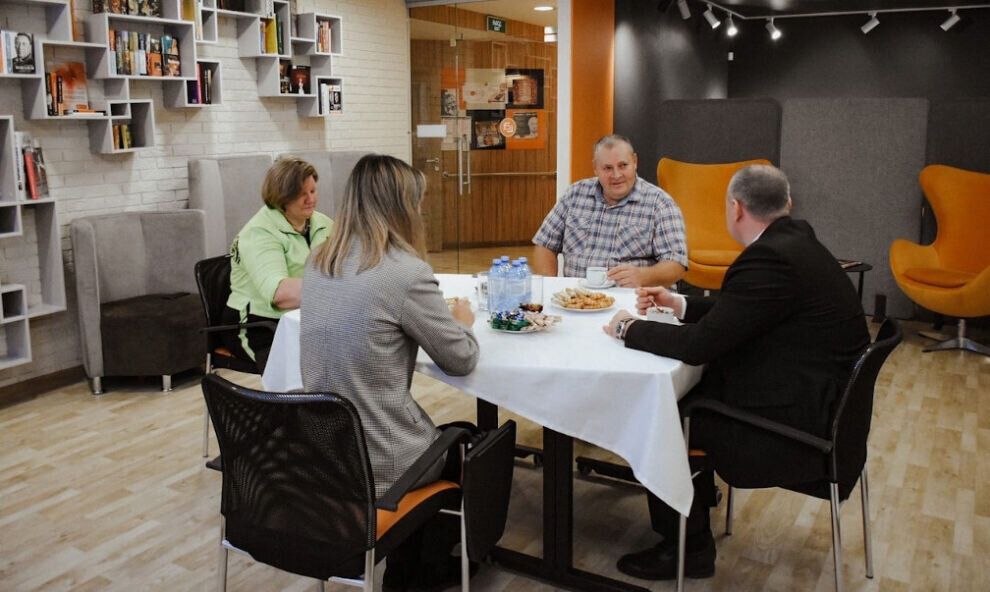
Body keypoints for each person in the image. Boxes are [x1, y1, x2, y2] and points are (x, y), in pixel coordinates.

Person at [604, 164, 869, 580]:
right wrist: (680, 305)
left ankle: (687, 548)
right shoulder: (797, 243)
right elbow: (743, 313)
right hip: (827, 408)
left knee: (667, 411)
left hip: (795, 427)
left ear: (736, 208)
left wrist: (628, 328)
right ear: (787, 205)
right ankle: (695, 508)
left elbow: (698, 346)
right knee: (690, 395)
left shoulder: (768, 258)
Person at [301, 154, 479, 590]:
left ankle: (411, 562)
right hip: (380, 458)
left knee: (442, 431)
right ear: (401, 205)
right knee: (468, 441)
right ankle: (422, 571)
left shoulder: (320, 261)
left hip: (326, 452)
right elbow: (461, 359)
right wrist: (464, 323)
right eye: (416, 201)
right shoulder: (405, 273)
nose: (420, 210)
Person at [531, 134, 688, 287]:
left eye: (623, 165)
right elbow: (545, 245)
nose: (616, 175)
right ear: (595, 168)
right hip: (576, 300)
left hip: (633, 301)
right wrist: (549, 288)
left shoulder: (660, 204)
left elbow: (677, 264)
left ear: (635, 162)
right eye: (607, 168)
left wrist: (643, 276)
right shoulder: (574, 194)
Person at [223, 157, 333, 373]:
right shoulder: (259, 233)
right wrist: (339, 287)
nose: (310, 199)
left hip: (306, 319)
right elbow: (280, 294)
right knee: (306, 371)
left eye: (313, 191)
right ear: (282, 197)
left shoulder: (323, 224)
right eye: (302, 194)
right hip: (257, 326)